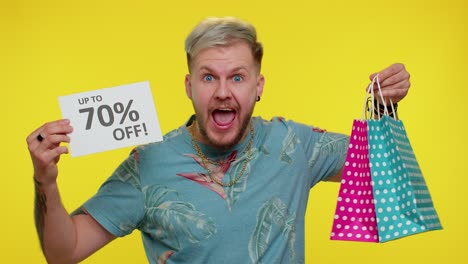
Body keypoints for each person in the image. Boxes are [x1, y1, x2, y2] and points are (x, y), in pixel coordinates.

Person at [27, 17, 410, 264]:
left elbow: (380, 170)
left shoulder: (294, 145)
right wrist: (45, 180)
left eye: (238, 77)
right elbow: (64, 251)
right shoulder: (149, 164)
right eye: (209, 77)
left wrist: (382, 109)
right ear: (189, 86)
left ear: (258, 87)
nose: (223, 92)